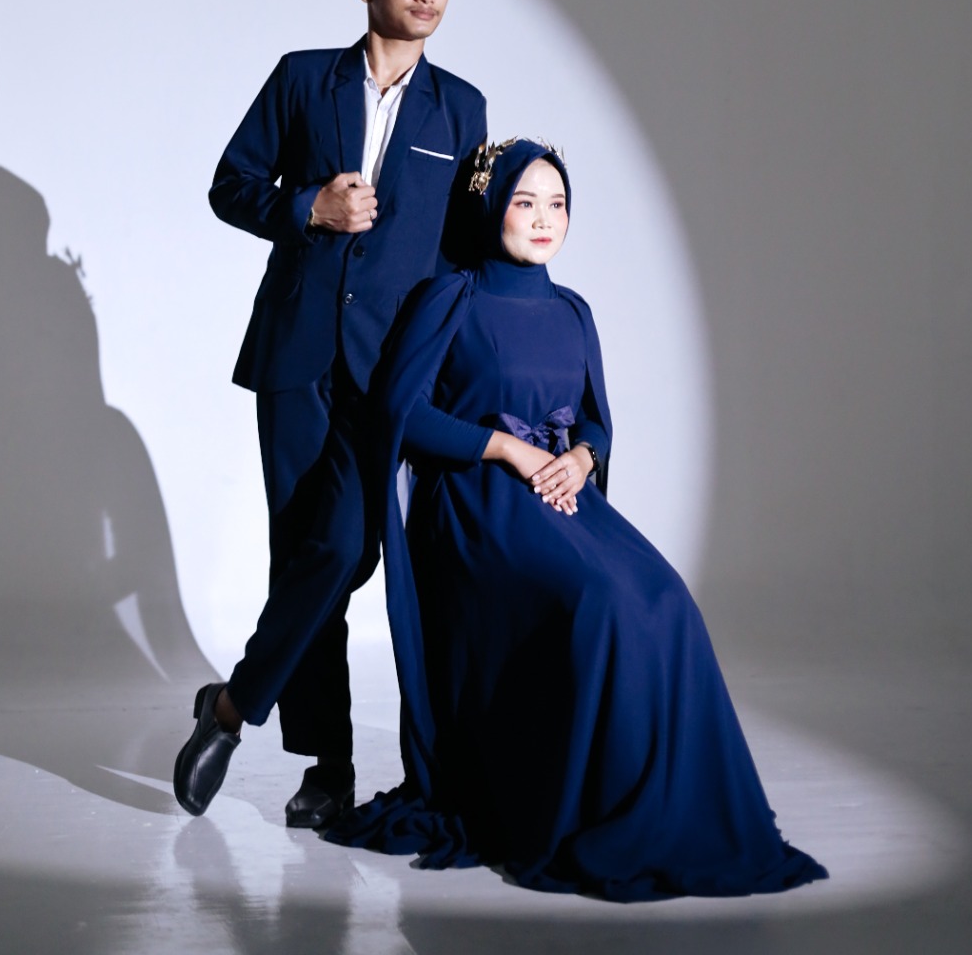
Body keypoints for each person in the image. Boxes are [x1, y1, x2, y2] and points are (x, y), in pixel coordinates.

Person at [327, 138, 828, 901]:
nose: (543, 219)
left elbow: (595, 419)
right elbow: (401, 413)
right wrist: (507, 448)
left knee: (667, 602)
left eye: (557, 204)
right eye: (525, 202)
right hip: (476, 504)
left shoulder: (572, 310)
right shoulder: (450, 297)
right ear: (489, 208)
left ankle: (661, 811)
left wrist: (585, 459)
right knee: (599, 603)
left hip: (563, 496)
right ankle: (572, 805)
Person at [173, 0, 487, 826]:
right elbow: (232, 184)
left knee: (343, 552)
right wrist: (309, 205)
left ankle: (230, 707)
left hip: (390, 369)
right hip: (297, 355)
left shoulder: (460, 107)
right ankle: (328, 767)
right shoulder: (302, 78)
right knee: (303, 552)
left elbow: (462, 249)